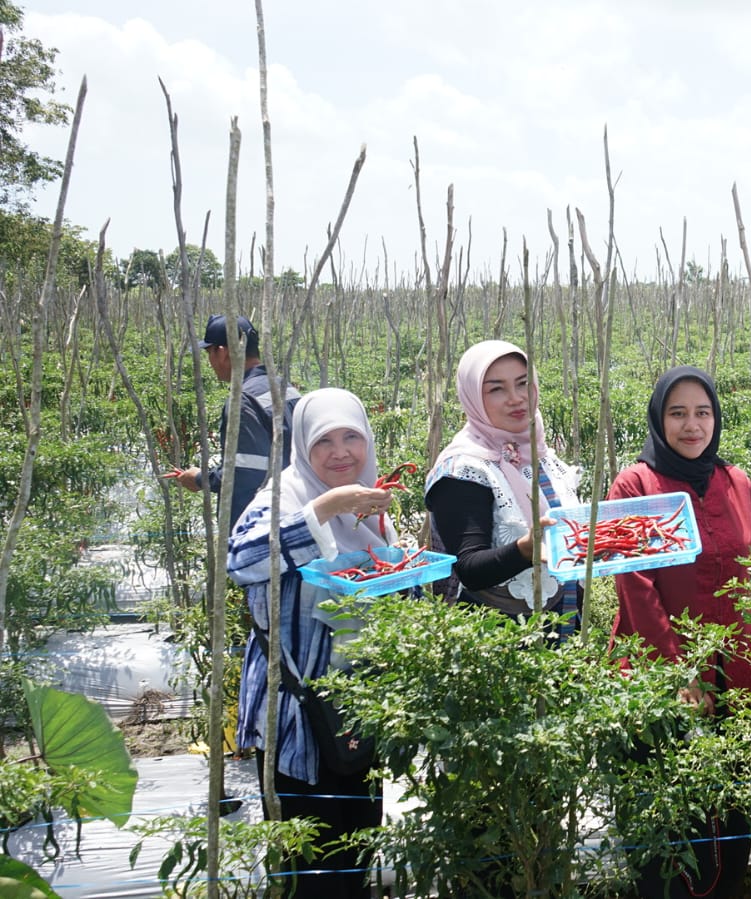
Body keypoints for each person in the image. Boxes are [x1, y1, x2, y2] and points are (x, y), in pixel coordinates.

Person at [609, 366, 751, 899]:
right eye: (677, 413)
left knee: (731, 816)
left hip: (739, 679)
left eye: (702, 412)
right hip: (665, 681)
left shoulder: (736, 481)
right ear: (659, 419)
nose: (692, 425)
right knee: (668, 822)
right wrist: (680, 673)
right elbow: (635, 587)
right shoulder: (636, 484)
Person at [229, 388, 396, 898]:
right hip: (297, 715)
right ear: (302, 446)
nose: (341, 452)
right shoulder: (282, 499)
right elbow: (242, 560)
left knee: (358, 850)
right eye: (324, 440)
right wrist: (322, 509)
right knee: (311, 862)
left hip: (359, 709)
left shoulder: (369, 505)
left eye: (352, 437)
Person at [424, 339, 582, 637]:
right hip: (500, 645)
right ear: (472, 397)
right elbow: (469, 568)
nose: (516, 398)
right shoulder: (462, 470)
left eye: (523, 383)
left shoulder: (540, 453)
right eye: (497, 389)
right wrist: (523, 550)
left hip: (564, 628)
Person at [176, 314, 298, 530]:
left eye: (209, 353)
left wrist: (199, 479)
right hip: (294, 511)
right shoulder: (285, 386)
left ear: (222, 353)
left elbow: (245, 473)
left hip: (259, 525)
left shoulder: (243, 400)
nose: (210, 362)